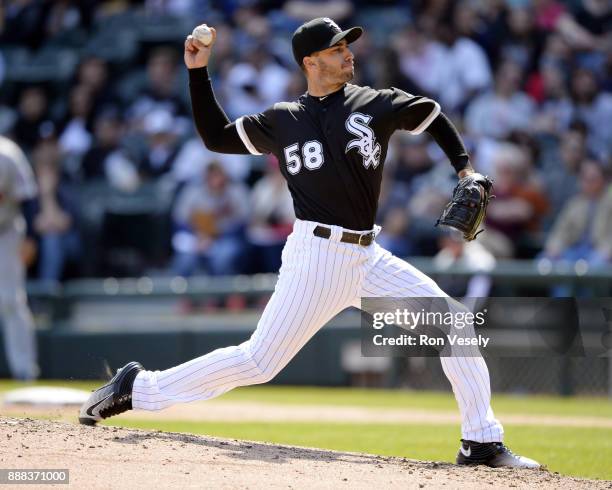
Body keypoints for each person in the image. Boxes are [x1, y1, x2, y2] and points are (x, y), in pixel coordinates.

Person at [79, 18, 540, 469]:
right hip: (316, 258)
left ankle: (480, 442)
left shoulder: (373, 102)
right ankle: (139, 387)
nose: (348, 53)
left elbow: (433, 115)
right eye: (338, 48)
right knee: (258, 362)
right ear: (310, 61)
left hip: (367, 256)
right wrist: (198, 72)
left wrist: (464, 169)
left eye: (347, 46)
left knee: (454, 325)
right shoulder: (283, 119)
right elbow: (216, 138)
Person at [0, 135, 39, 380]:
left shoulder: (7, 154)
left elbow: (29, 199)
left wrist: (30, 239)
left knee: (11, 300)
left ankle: (24, 371)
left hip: (6, 232)